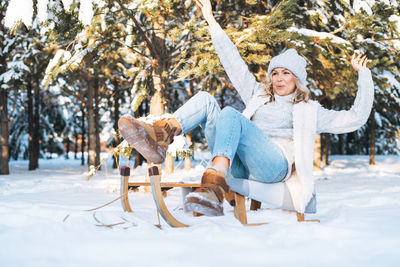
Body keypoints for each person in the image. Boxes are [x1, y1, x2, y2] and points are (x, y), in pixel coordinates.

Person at [118, 0, 374, 216]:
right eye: (275, 73)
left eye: (286, 73)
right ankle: (162, 134)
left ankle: (213, 186)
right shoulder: (258, 95)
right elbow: (232, 61)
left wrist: (363, 76)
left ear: (297, 79)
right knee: (207, 99)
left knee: (231, 114)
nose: (279, 78)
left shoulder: (308, 109)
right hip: (239, 162)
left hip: (274, 166)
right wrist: (210, 19)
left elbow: (355, 118)